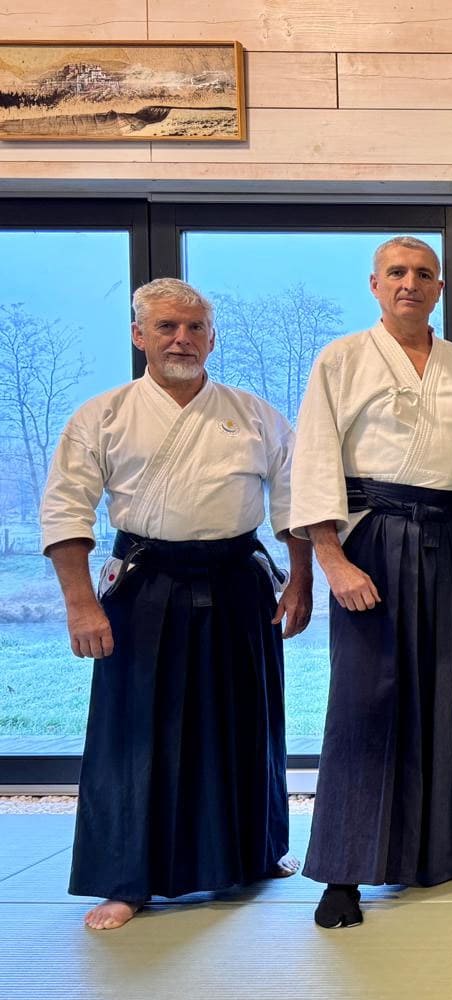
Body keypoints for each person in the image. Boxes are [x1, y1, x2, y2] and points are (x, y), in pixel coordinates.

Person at [40, 278, 312, 930]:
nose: (181, 339)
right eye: (166, 327)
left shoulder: (254, 414)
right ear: (140, 335)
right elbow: (66, 510)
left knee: (246, 723)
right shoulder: (103, 416)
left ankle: (254, 852)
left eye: (194, 328)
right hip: (146, 582)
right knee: (136, 734)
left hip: (239, 580)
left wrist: (301, 581)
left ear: (213, 338)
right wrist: (81, 604)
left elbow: (294, 504)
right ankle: (127, 879)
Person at [293, 236, 452, 928]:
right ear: (375, 284)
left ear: (440, 288)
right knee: (366, 700)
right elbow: (315, 463)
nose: (410, 283)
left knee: (451, 689)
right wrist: (332, 561)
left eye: (423, 274)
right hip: (373, 538)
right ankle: (344, 870)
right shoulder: (341, 360)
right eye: (397, 272)